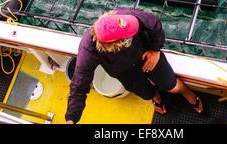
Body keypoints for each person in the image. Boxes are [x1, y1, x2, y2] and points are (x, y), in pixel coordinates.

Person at [65, 8, 203, 124]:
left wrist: (155, 50)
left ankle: (188, 93)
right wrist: (71, 118)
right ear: (113, 45)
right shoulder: (88, 49)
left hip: (147, 57)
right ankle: (156, 98)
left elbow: (154, 24)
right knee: (147, 94)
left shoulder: (125, 16)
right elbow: (79, 86)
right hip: (125, 73)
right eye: (127, 40)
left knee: (173, 86)